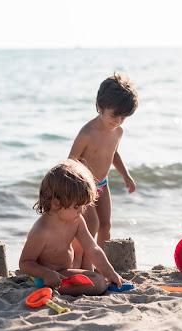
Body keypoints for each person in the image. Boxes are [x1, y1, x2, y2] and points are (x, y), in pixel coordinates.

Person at [19, 159, 125, 296]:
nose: (81, 211)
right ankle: (51, 289)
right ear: (56, 204)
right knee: (99, 283)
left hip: (65, 270)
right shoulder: (41, 230)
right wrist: (46, 273)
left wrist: (110, 273)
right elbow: (25, 263)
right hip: (48, 278)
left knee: (97, 277)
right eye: (76, 207)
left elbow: (92, 248)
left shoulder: (76, 221)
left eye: (83, 206)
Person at [68, 72, 138, 270]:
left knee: (106, 225)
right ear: (100, 106)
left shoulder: (118, 131)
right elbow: (70, 162)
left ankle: (101, 264)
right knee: (91, 224)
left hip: (102, 184)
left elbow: (113, 153)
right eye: (113, 115)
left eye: (123, 117)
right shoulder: (87, 133)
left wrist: (126, 175)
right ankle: (83, 264)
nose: (117, 121)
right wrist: (73, 190)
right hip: (83, 186)